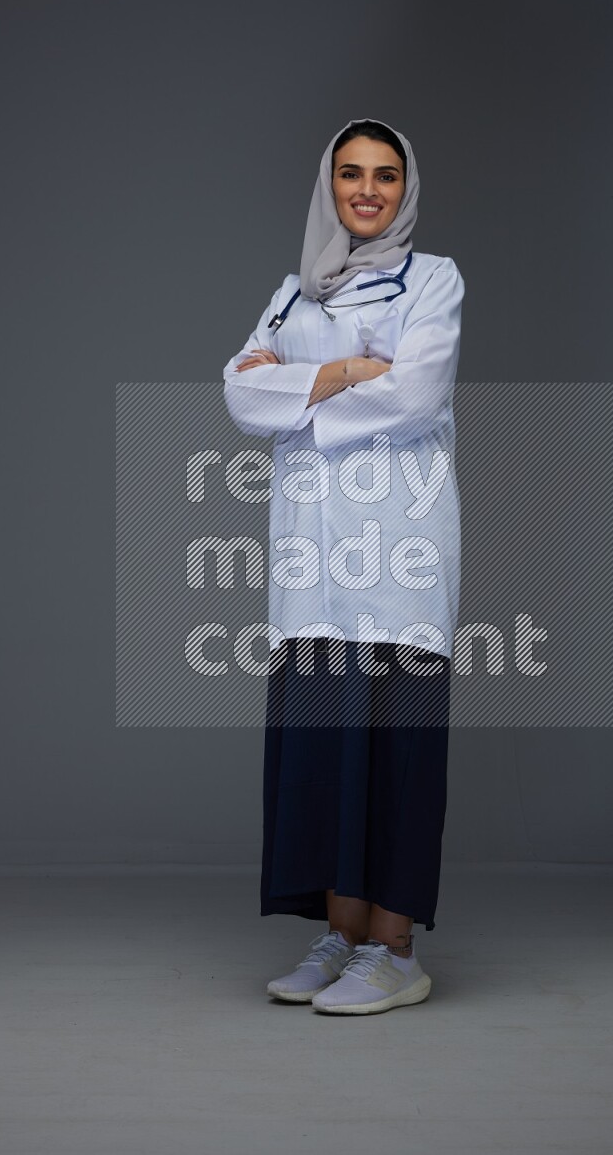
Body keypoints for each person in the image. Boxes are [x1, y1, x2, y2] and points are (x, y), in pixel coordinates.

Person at [222, 117, 464, 1015]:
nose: (368, 190)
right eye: (352, 174)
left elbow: (417, 392)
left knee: (395, 743)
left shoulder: (432, 278)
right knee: (323, 744)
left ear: (406, 189)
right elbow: (238, 393)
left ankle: (396, 949)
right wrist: (344, 372)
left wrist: (297, 386)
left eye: (386, 176)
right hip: (310, 556)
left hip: (395, 549)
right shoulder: (293, 292)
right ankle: (342, 934)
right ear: (329, 186)